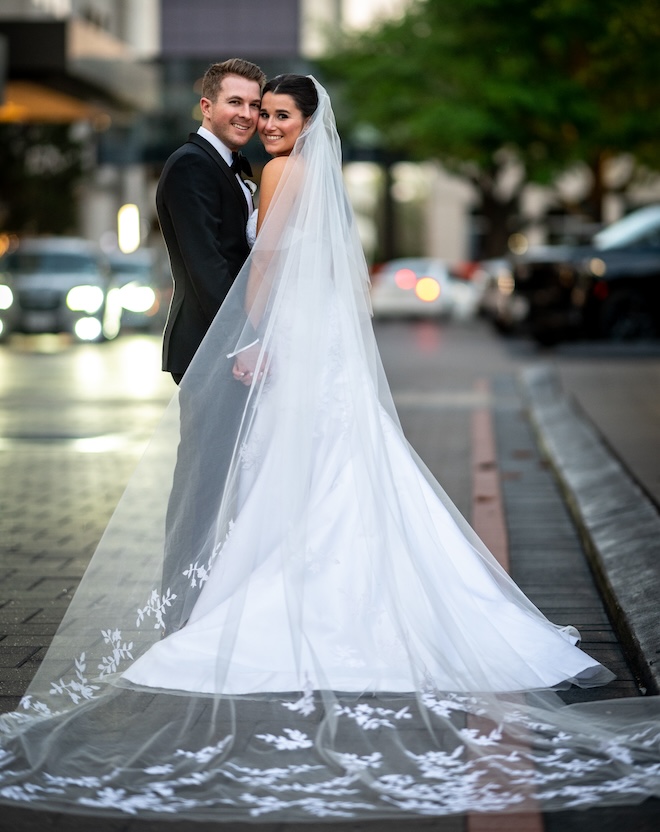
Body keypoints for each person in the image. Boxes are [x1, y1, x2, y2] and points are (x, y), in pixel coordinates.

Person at [0, 76, 659, 822]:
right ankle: (247, 598)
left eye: (277, 113)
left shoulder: (279, 171)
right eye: (254, 110)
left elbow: (264, 274)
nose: (264, 122)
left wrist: (254, 337)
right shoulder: (247, 170)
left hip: (278, 348)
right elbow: (245, 267)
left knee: (280, 474)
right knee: (311, 473)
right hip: (302, 350)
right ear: (210, 105)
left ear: (306, 123)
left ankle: (239, 605)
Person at [156, 58, 266, 627]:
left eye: (254, 104)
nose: (247, 114)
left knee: (229, 478)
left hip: (233, 349)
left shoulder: (231, 166)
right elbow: (207, 267)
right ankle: (179, 608)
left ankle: (211, 603)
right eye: (235, 103)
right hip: (211, 348)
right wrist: (243, 342)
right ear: (207, 106)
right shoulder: (191, 167)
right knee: (201, 485)